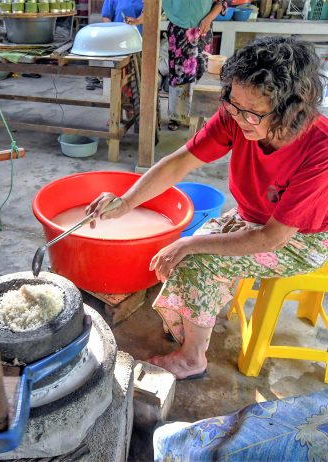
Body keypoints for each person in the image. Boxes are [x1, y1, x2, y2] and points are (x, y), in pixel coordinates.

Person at [86, 36, 328, 380]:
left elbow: (272, 238)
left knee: (195, 262)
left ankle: (192, 358)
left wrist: (190, 244)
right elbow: (181, 161)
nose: (239, 118)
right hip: (251, 218)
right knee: (183, 254)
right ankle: (190, 320)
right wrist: (126, 201)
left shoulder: (320, 150)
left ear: (293, 108)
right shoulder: (237, 115)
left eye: (253, 112)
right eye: (233, 104)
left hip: (301, 240)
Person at [126, 0, 226, 130]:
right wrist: (138, 20)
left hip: (202, 30)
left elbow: (222, 3)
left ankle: (199, 116)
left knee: (200, 72)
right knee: (178, 75)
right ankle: (177, 117)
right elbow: (154, 3)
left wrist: (209, 19)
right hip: (178, 33)